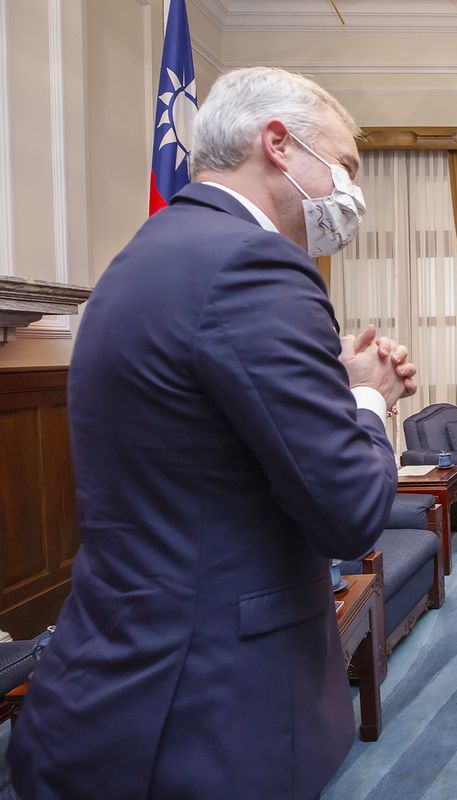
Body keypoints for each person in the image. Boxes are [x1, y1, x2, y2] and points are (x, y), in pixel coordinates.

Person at [8, 67, 418, 799]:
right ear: (279, 144)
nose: (352, 193)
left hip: (119, 676)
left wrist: (328, 379)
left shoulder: (151, 252)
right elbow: (349, 512)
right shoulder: (253, 265)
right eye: (347, 165)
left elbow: (204, 437)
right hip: (208, 708)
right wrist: (365, 395)